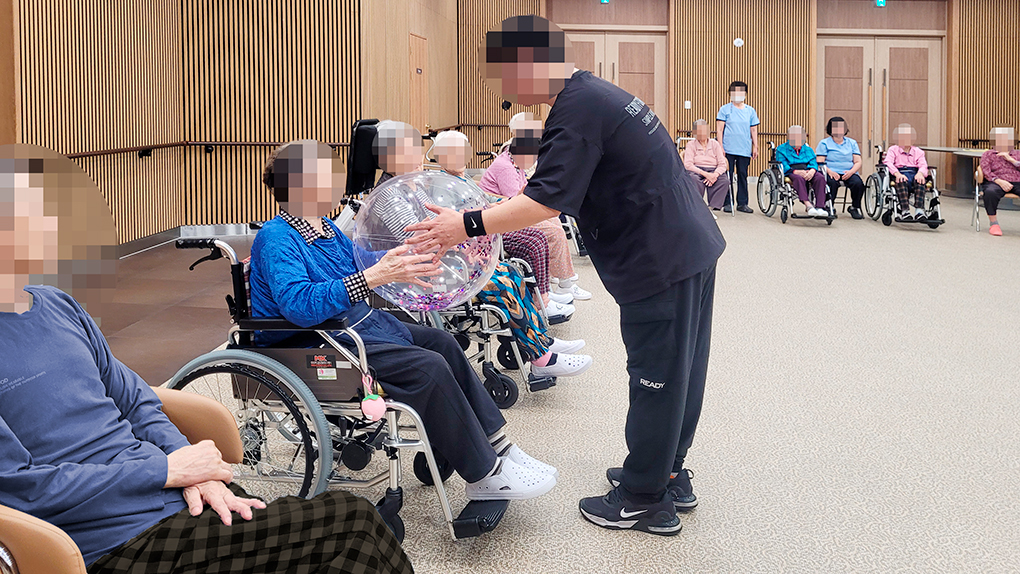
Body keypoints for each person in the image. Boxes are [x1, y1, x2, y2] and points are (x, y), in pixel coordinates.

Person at [0, 151, 413, 573]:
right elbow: (20, 488)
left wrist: (192, 467)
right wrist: (163, 471)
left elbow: (138, 402)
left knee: (353, 535)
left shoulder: (60, 306)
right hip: (117, 539)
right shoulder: (279, 236)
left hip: (181, 497)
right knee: (353, 525)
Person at [406, 15, 726, 536]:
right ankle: (667, 472)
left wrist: (463, 225)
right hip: (686, 244)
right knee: (681, 370)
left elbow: (544, 200)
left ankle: (645, 498)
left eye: (504, 76)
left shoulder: (576, 109)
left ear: (529, 63)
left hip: (661, 256)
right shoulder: (593, 95)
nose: (505, 90)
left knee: (658, 377)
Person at [249, 139, 558, 502]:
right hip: (313, 340)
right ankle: (484, 475)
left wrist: (409, 257)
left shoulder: (326, 229)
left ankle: (498, 446)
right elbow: (299, 304)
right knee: (428, 367)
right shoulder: (276, 237)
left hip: (350, 326)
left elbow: (361, 260)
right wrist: (372, 277)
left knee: (443, 343)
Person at [376, 120, 575, 321]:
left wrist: (463, 247)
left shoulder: (414, 185)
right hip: (432, 268)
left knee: (511, 272)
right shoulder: (391, 194)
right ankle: (536, 332)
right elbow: (419, 240)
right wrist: (463, 251)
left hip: (452, 253)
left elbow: (440, 225)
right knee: (505, 281)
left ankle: (539, 327)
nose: (416, 159)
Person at [433, 129, 593, 378]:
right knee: (508, 278)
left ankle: (542, 342)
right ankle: (542, 359)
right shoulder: (440, 187)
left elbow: (488, 202)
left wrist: (513, 199)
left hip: (478, 250)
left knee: (514, 273)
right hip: (459, 263)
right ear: (439, 156)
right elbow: (449, 228)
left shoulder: (463, 181)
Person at [481, 112, 592, 302]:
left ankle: (556, 280)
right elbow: (516, 200)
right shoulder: (506, 166)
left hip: (507, 208)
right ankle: (563, 283)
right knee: (552, 230)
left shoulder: (516, 163)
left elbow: (523, 191)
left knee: (554, 220)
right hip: (502, 215)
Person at [716, 80, 760, 213]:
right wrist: (720, 146)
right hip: (728, 148)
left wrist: (755, 146)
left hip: (744, 148)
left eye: (741, 92)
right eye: (734, 91)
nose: (738, 94)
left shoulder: (750, 111)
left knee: (742, 175)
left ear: (745, 94)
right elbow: (719, 129)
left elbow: (753, 129)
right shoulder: (724, 109)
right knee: (727, 176)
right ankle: (727, 202)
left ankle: (742, 203)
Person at [816, 116, 865, 219]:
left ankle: (854, 207)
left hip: (848, 172)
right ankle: (830, 206)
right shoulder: (824, 143)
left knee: (858, 184)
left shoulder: (852, 143)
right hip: (830, 171)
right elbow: (820, 162)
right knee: (832, 183)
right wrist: (830, 172)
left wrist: (851, 172)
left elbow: (858, 161)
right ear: (830, 129)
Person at [775, 125, 829, 216]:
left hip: (808, 170)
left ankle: (820, 207)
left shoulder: (807, 149)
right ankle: (808, 205)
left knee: (820, 178)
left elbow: (813, 161)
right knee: (798, 179)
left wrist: (812, 170)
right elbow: (782, 164)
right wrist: (796, 171)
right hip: (791, 171)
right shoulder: (781, 149)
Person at [978, 126, 1020, 236]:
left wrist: (1011, 160)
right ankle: (994, 224)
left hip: (1017, 181)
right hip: (995, 182)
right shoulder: (988, 154)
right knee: (990, 192)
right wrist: (999, 181)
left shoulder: (1018, 154)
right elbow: (986, 171)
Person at [884, 123, 930, 222]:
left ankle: (919, 211)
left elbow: (923, 165)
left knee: (920, 181)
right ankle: (905, 211)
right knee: (901, 180)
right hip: (899, 172)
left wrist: (920, 173)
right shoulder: (893, 150)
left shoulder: (918, 152)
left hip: (914, 173)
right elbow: (888, 162)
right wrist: (897, 174)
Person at [683, 119, 730, 210]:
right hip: (696, 170)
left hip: (713, 170)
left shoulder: (715, 144)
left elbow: (722, 164)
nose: (702, 133)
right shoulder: (691, 144)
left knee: (724, 181)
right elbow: (688, 165)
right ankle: (697, 206)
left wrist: (715, 175)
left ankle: (712, 207)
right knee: (693, 180)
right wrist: (706, 174)